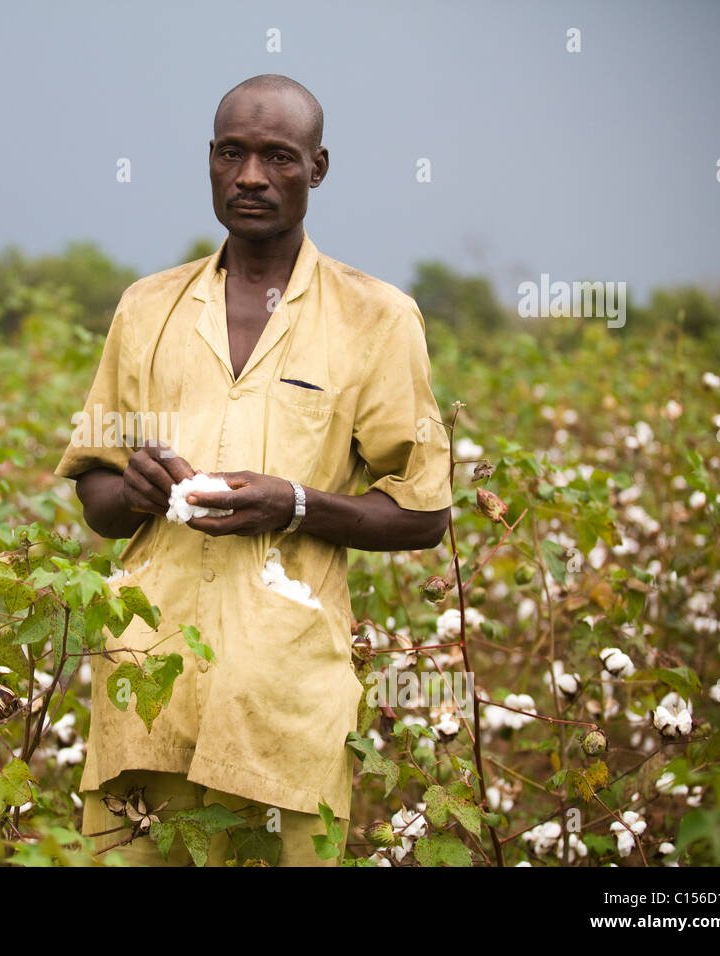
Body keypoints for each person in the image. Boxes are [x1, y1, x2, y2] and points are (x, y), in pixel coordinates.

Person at [54, 74, 453, 866]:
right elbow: (95, 494)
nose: (250, 177)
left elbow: (424, 513)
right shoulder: (147, 309)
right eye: (231, 154)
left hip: (282, 699)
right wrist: (132, 491)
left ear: (319, 167)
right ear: (209, 161)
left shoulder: (374, 318)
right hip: (144, 685)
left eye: (278, 157)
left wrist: (296, 503)